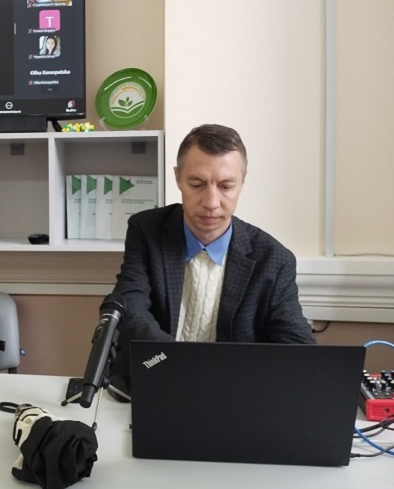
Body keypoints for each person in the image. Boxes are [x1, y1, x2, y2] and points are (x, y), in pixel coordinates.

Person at [108, 124, 315, 393]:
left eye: (226, 186)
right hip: (152, 380)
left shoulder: (274, 259)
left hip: (233, 394)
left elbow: (297, 346)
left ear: (242, 183)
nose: (211, 202)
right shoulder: (146, 230)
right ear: (178, 178)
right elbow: (132, 309)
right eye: (197, 184)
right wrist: (182, 365)